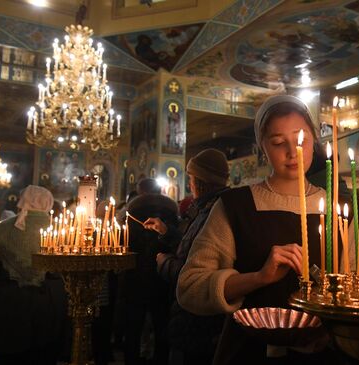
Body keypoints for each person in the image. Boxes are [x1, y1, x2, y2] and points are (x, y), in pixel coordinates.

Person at [177, 95, 328, 364]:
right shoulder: (236, 206)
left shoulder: (337, 206)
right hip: (249, 352)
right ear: (262, 147)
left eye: (301, 138)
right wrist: (258, 278)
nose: (292, 152)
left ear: (314, 139)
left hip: (327, 351)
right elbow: (190, 288)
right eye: (278, 142)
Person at [143, 148, 230, 365]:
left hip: (200, 318)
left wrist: (165, 263)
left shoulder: (212, 212)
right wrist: (166, 231)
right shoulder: (207, 208)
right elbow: (192, 246)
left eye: (191, 178)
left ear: (200, 181)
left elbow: (195, 273)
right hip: (201, 319)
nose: (189, 184)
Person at [0, 186, 67, 365]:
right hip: (51, 307)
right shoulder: (62, 231)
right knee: (45, 357)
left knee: (9, 358)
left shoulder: (3, 229)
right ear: (48, 203)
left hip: (12, 306)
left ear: (22, 201)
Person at [122, 178, 181, 365]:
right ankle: (160, 359)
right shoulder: (171, 209)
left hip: (134, 272)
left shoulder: (132, 209)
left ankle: (131, 359)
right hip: (162, 273)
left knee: (133, 324)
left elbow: (124, 240)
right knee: (161, 323)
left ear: (141, 191)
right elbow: (177, 239)